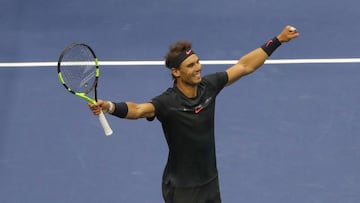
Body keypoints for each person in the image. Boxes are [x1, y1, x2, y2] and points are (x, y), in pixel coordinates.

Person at [89, 25, 299, 203]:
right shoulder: (167, 102)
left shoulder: (209, 86)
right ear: (176, 72)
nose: (198, 68)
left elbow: (244, 66)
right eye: (191, 65)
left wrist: (278, 39)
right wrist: (110, 106)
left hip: (209, 180)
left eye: (197, 62)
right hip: (182, 188)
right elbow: (138, 109)